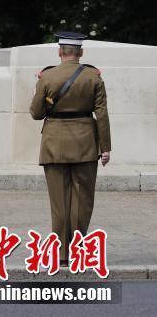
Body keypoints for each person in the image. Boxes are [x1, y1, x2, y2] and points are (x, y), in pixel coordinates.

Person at [29, 31, 111, 264]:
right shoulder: (93, 77)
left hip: (54, 143)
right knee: (82, 200)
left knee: (59, 202)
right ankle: (77, 250)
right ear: (80, 53)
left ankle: (61, 252)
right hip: (85, 143)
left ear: (59, 52)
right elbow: (102, 115)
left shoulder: (46, 77)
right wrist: (105, 147)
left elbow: (36, 113)